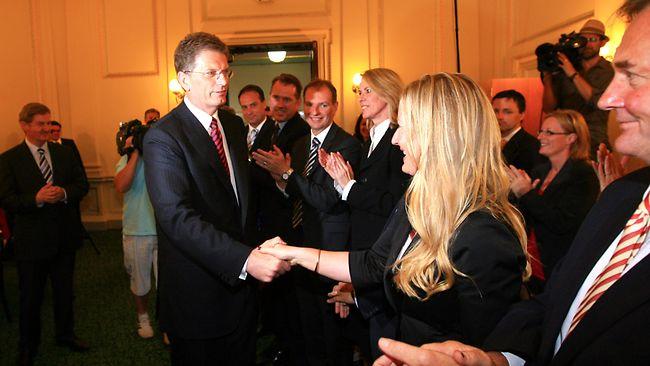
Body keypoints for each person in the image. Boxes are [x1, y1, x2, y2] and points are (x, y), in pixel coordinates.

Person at [373, 1, 650, 364]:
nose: (608, 99)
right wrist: (493, 360)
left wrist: (527, 195)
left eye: (632, 76)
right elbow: (554, 306)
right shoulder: (623, 197)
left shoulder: (488, 227)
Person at [259, 73, 528, 352]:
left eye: (407, 126)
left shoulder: (484, 229)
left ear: (441, 136)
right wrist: (294, 253)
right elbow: (375, 263)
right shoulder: (414, 199)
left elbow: (485, 348)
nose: (397, 138)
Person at [142, 32, 290, 366]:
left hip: (243, 292)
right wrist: (246, 259)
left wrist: (281, 182)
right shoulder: (163, 137)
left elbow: (241, 196)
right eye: (211, 73)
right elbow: (176, 219)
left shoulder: (233, 124)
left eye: (226, 71)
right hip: (198, 294)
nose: (223, 81)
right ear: (183, 79)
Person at [254, 79, 362, 365]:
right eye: (310, 104)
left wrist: (288, 174)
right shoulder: (302, 144)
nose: (315, 111)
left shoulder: (347, 145)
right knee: (308, 325)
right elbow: (296, 195)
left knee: (333, 331)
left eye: (323, 105)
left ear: (335, 107)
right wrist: (281, 180)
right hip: (302, 243)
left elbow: (329, 199)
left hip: (331, 246)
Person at [320, 68, 410, 360]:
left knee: (383, 345)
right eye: (360, 91)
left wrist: (349, 187)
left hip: (384, 258)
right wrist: (342, 182)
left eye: (368, 90)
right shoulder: (373, 138)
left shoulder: (397, 140)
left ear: (388, 93)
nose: (361, 97)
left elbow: (395, 205)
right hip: (368, 254)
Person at [0, 102, 89, 366]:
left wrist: (62, 193)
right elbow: (7, 200)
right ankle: (28, 346)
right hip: (31, 241)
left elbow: (81, 185)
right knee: (31, 297)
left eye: (48, 123)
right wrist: (35, 198)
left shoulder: (64, 153)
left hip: (64, 236)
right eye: (40, 124)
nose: (47, 128)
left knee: (64, 292)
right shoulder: (9, 159)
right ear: (25, 125)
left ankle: (65, 334)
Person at [508, 110, 599, 292]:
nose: (540, 136)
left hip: (558, 263)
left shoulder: (583, 174)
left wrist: (527, 193)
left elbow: (563, 222)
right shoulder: (540, 171)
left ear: (571, 138)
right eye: (541, 131)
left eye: (549, 132)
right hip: (531, 260)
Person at [114, 109, 161, 339]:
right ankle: (143, 317)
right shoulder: (125, 160)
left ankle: (168, 322)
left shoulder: (161, 157)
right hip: (137, 231)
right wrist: (134, 155)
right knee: (140, 282)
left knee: (168, 282)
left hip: (164, 231)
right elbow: (122, 185)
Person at [541, 18, 614, 157]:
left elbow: (596, 101)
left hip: (593, 139)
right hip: (564, 139)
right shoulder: (567, 66)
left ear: (602, 42)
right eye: (583, 40)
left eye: (592, 39)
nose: (587, 45)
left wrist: (572, 74)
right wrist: (548, 78)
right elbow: (548, 108)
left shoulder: (607, 70)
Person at [492, 90, 544, 174]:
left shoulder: (532, 146)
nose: (499, 117)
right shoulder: (486, 141)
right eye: (496, 111)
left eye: (507, 112)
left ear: (522, 115)